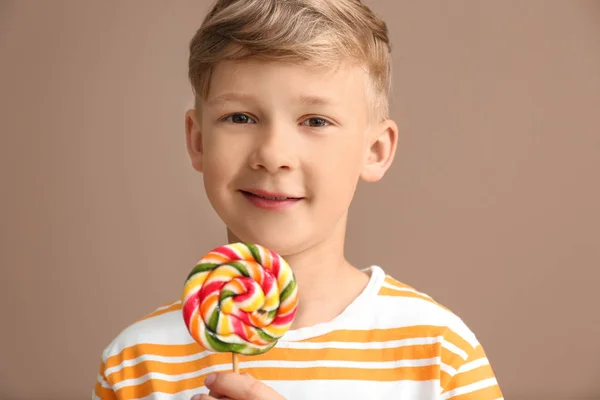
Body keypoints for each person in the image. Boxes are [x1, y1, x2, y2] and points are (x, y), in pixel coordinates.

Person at [93, 0, 503, 399]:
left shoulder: (439, 356)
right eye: (240, 117)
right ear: (198, 141)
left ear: (375, 150)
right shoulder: (136, 365)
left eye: (315, 121)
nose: (273, 154)